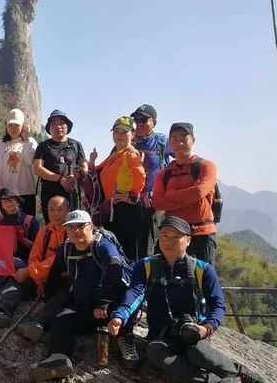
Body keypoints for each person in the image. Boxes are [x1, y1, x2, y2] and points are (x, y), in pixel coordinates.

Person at [108, 216, 268, 383]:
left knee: (197, 354)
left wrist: (206, 329)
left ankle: (238, 372)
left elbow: (217, 305)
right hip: (163, 336)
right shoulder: (147, 266)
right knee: (154, 352)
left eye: (176, 236)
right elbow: (135, 292)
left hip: (194, 333)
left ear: (188, 240)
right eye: (165, 235)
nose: (168, 240)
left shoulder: (203, 270)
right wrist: (120, 315)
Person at [31, 210, 137, 381]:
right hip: (86, 305)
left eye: (81, 226)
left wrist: (103, 302)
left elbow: (114, 268)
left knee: (121, 314)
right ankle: (59, 359)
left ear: (91, 227)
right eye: (71, 227)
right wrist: (47, 300)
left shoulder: (102, 245)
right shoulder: (66, 248)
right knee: (61, 319)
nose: (76, 231)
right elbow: (55, 273)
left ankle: (126, 336)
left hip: (112, 304)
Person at [0, 195, 67, 335]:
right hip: (40, 277)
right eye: (52, 210)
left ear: (68, 210)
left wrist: (30, 271)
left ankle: (35, 323)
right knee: (16, 278)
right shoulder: (45, 231)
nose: (55, 213)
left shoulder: (72, 231)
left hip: (61, 278)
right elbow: (34, 256)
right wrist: (38, 279)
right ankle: (0, 312)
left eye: (60, 209)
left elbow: (57, 259)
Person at [152, 123, 218, 265]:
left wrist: (170, 194)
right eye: (174, 138)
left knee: (203, 281)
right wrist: (189, 196)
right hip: (173, 235)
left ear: (193, 140)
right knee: (167, 280)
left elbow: (199, 192)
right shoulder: (164, 174)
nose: (179, 142)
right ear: (169, 143)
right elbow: (157, 202)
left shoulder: (206, 166)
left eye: (184, 137)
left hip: (202, 233)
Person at [88, 116, 146, 261]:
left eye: (124, 132)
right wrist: (92, 162)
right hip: (114, 209)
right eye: (116, 132)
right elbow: (98, 171)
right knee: (115, 249)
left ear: (133, 134)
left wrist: (131, 196)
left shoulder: (131, 154)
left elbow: (140, 176)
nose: (119, 135)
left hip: (127, 209)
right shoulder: (115, 155)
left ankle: (130, 281)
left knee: (127, 251)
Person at [130, 104, 172, 258]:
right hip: (130, 200)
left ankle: (149, 277)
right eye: (136, 119)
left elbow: (183, 156)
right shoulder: (129, 140)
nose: (139, 123)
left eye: (143, 119)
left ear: (154, 122)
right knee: (131, 242)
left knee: (150, 242)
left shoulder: (162, 141)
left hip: (154, 202)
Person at [34, 110, 87, 223]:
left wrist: (79, 174)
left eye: (62, 123)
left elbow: (84, 166)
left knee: (72, 225)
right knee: (52, 225)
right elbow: (37, 168)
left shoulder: (76, 145)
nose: (58, 126)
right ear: (49, 128)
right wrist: (60, 179)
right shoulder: (43, 146)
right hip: (50, 193)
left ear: (67, 126)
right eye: (54, 124)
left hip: (71, 194)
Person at [0, 108, 37, 216]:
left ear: (23, 125)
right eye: (10, 125)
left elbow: (31, 161)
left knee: (26, 229)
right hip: (5, 196)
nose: (13, 128)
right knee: (6, 231)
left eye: (17, 125)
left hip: (25, 194)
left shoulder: (30, 142)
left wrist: (25, 140)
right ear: (6, 126)